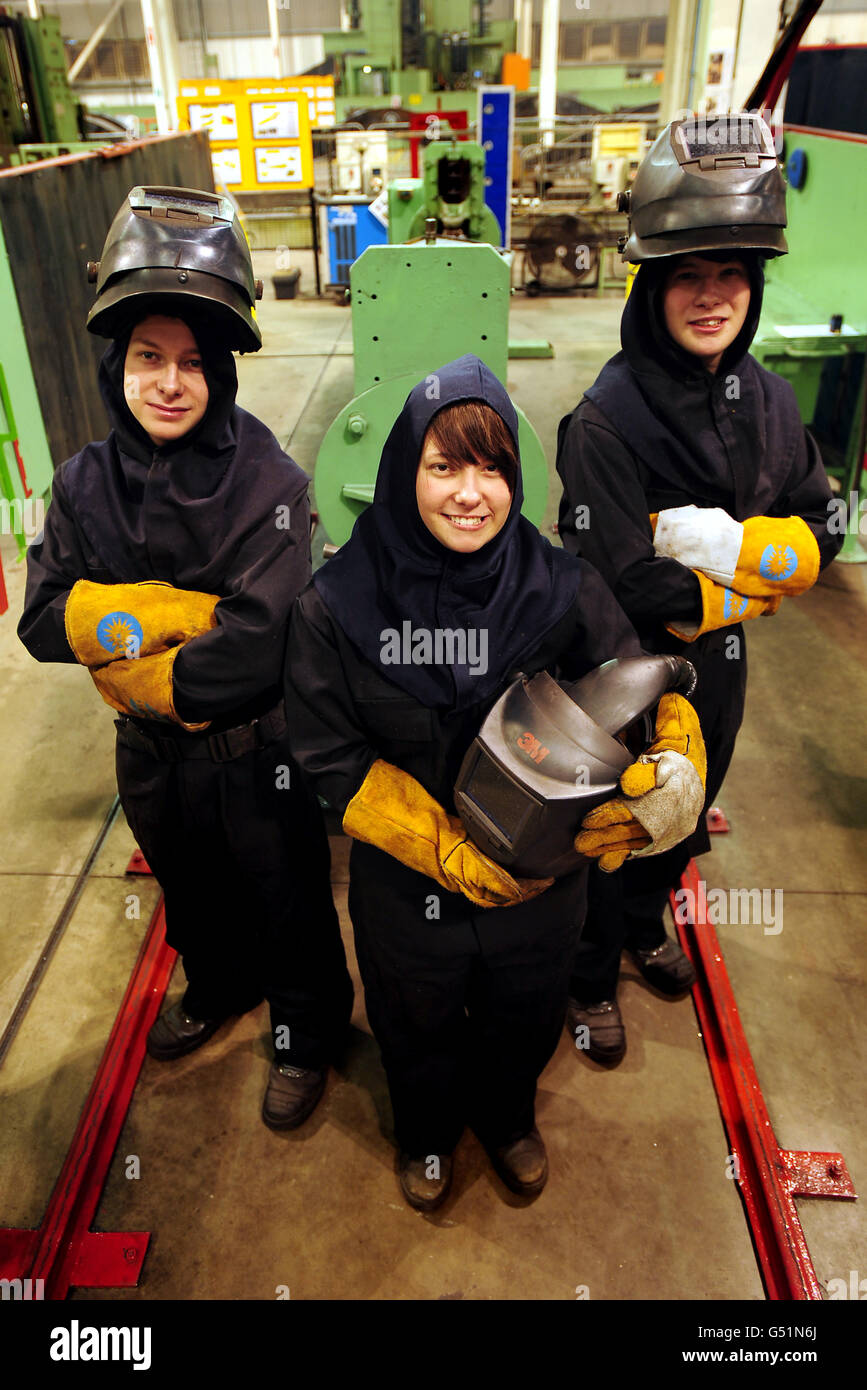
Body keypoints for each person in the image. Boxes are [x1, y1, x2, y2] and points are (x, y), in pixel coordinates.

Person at [284, 353, 707, 1210]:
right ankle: (428, 1137)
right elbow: (327, 750)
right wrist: (434, 843)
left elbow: (635, 680)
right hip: (408, 893)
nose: (469, 493)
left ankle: (509, 1120)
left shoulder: (562, 587)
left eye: (490, 467)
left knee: (525, 1013)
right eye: (443, 466)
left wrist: (673, 753)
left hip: (544, 885)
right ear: (406, 472)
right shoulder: (334, 604)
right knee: (413, 1024)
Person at [18, 185, 353, 1128]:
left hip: (257, 757)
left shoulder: (270, 485)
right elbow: (43, 619)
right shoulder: (84, 483)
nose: (168, 382)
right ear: (117, 366)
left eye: (193, 364)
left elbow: (259, 646)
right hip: (151, 762)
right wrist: (167, 616)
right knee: (191, 890)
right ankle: (214, 985)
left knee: (288, 901)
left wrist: (118, 650)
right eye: (147, 359)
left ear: (224, 374)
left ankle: (304, 1030)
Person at [556, 115, 843, 1063]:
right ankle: (589, 976)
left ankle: (646, 925)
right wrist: (759, 581)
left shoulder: (768, 399)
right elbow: (623, 583)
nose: (711, 295)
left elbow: (826, 520)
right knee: (618, 820)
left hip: (717, 668)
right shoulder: (605, 418)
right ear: (651, 286)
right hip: (625, 677)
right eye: (688, 275)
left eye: (732, 275)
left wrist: (742, 552)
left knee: (689, 805)